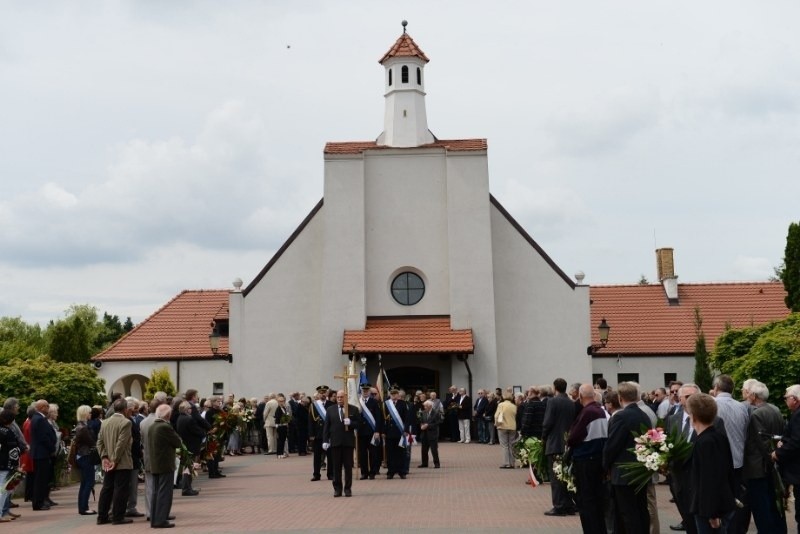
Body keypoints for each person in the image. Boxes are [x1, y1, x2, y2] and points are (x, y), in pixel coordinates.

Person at [602, 381, 652, 533]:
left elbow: (612, 445)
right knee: (641, 510)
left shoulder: (621, 417)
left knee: (627, 514)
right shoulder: (644, 415)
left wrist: (604, 466)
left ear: (620, 397)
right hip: (641, 471)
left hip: (623, 472)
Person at [686, 393, 737, 534]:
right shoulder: (718, 437)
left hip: (709, 509)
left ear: (693, 416)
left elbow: (710, 479)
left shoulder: (705, 443)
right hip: (720, 504)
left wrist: (713, 514)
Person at [742, 380, 787, 534]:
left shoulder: (756, 414)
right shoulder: (775, 409)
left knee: (761, 507)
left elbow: (762, 442)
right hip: (771, 465)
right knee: (774, 503)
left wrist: (770, 457)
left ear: (754, 396)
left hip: (758, 466)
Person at [567, 385, 608, 534]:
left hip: (586, 459)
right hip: (597, 457)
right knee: (596, 500)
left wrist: (569, 439)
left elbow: (574, 437)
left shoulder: (588, 412)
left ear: (580, 396)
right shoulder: (601, 411)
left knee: (587, 501)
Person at [542, 378, 578, 516]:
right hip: (566, 442)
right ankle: (568, 504)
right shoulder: (570, 403)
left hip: (555, 442)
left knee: (556, 476)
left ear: (555, 387)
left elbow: (548, 422)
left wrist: (544, 437)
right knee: (566, 475)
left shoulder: (552, 401)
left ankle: (558, 505)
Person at [96, 397, 133, 525]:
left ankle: (102, 516)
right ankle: (118, 516)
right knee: (120, 490)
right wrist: (114, 460)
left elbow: (99, 442)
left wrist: (104, 457)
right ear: (125, 409)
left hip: (108, 461)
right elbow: (121, 444)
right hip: (122, 462)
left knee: (107, 488)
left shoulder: (104, 422)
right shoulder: (126, 423)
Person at [147, 404, 182, 529]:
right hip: (164, 463)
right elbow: (177, 442)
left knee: (156, 492)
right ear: (167, 415)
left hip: (155, 462)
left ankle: (156, 518)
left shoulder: (152, 426)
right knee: (164, 492)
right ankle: (160, 519)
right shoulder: (164, 427)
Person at [322, 390, 360, 497]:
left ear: (346, 398)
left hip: (348, 442)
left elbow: (359, 424)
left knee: (348, 467)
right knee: (336, 467)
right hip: (335, 442)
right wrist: (325, 440)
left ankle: (347, 489)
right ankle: (337, 489)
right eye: (338, 397)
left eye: (341, 397)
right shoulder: (330, 410)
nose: (339, 399)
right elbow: (326, 426)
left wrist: (351, 423)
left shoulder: (353, 409)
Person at [773, 384, 800, 534]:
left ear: (795, 399)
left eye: (786, 397)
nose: (784, 400)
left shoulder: (798, 415)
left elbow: (797, 442)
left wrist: (779, 452)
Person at [30, 399, 57, 511]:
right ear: (42, 407)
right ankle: (38, 502)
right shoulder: (39, 419)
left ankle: (40, 501)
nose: (48, 408)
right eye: (46, 406)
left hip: (41, 453)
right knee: (40, 480)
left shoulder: (39, 418)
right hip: (42, 453)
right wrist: (51, 448)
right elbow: (43, 437)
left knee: (42, 479)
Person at [174, 401, 204, 496]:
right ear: (187, 410)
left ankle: (187, 487)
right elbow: (198, 431)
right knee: (189, 468)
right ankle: (186, 488)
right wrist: (203, 432)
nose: (192, 410)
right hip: (191, 446)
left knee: (187, 467)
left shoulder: (180, 418)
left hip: (186, 445)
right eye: (190, 408)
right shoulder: (189, 419)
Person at [72, 405, 97, 516]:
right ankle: (84, 507)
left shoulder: (80, 426)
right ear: (85, 414)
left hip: (82, 456)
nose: (91, 414)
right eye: (89, 412)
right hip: (85, 456)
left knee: (85, 483)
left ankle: (82, 507)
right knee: (89, 482)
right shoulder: (83, 428)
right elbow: (91, 442)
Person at [383, 386, 411, 479]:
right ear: (389, 395)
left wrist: (406, 430)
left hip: (400, 432)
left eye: (395, 394)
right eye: (392, 394)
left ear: (398, 395)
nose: (394, 396)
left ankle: (402, 471)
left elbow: (407, 418)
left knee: (401, 452)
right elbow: (383, 419)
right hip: (389, 432)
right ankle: (391, 471)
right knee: (390, 453)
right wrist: (383, 431)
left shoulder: (403, 404)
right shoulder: (386, 404)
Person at [357, 383, 383, 479]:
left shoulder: (374, 402)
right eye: (363, 390)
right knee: (362, 454)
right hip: (361, 432)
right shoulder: (358, 402)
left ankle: (372, 472)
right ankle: (364, 473)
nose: (365, 392)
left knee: (373, 453)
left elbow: (378, 418)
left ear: (369, 392)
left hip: (372, 432)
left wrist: (377, 431)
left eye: (367, 390)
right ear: (361, 391)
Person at [0, 409, 21, 523]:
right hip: (5, 464)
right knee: (3, 489)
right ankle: (1, 513)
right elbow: (13, 451)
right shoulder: (8, 432)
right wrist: (15, 465)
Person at [494, 391, 517, 468]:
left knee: (504, 445)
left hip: (502, 426)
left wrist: (496, 424)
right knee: (512, 445)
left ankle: (506, 463)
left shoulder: (501, 405)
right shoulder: (514, 406)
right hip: (512, 426)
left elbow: (497, 415)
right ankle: (512, 463)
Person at [417, 400, 441, 468]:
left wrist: (428, 425)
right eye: (424, 406)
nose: (424, 407)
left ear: (430, 406)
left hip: (432, 434)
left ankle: (436, 463)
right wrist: (421, 425)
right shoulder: (423, 412)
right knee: (424, 450)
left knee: (434, 450)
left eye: (426, 406)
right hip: (424, 434)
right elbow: (421, 420)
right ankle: (424, 463)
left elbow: (438, 423)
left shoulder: (436, 413)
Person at [274, 394, 290, 458]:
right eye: (280, 401)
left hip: (284, 426)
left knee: (283, 440)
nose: (282, 402)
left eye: (283, 401)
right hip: (280, 426)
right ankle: (279, 453)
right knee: (280, 440)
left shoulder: (283, 408)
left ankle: (282, 452)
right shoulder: (278, 409)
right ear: (278, 402)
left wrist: (287, 418)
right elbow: (277, 418)